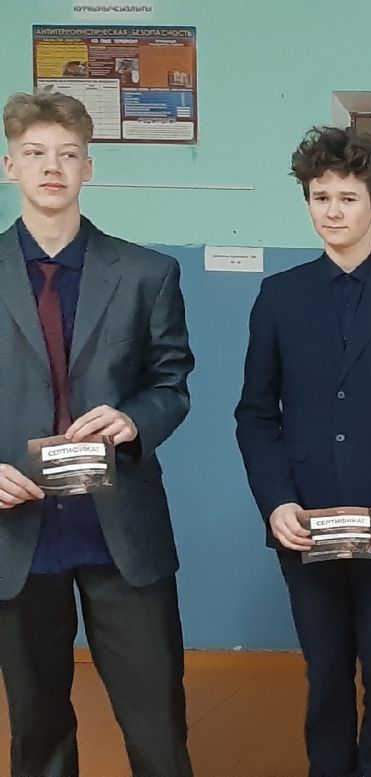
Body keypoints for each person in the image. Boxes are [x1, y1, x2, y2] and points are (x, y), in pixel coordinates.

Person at [235, 126, 371, 777]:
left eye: (348, 198)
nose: (333, 211)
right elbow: (256, 414)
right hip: (305, 520)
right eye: (320, 197)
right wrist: (276, 502)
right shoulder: (279, 295)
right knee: (325, 671)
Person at [0, 89, 196, 777]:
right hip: (18, 532)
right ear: (10, 166)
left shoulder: (148, 273)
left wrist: (136, 418)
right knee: (37, 732)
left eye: (67, 154)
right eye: (34, 153)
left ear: (89, 167)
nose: (51, 167)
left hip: (122, 530)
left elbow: (172, 383)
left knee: (158, 727)